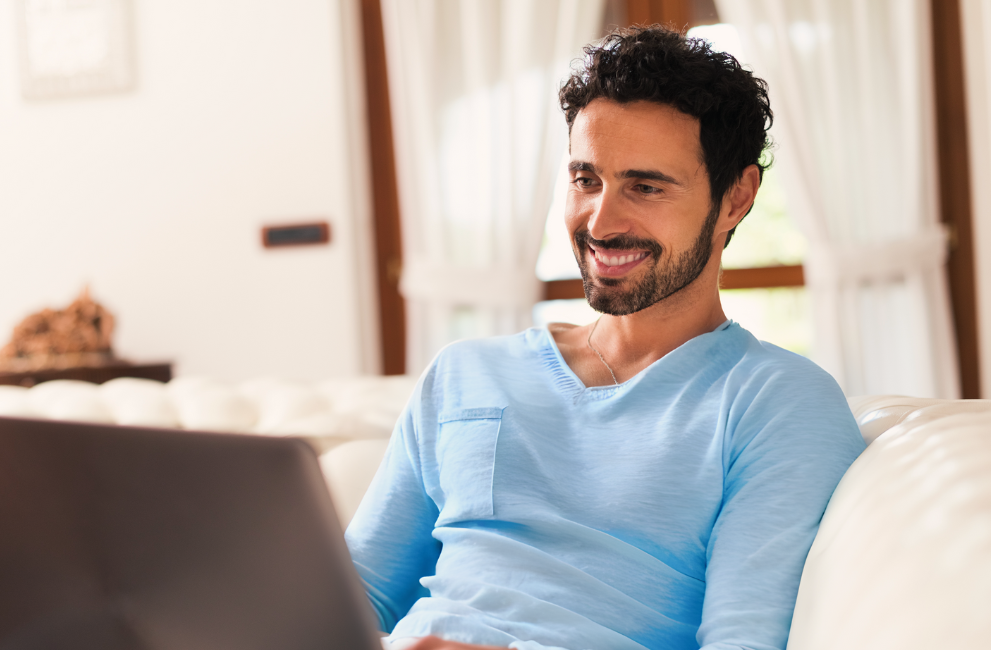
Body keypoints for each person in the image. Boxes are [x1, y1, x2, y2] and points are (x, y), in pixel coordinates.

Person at [345, 26, 865, 650]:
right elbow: (349, 601)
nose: (601, 221)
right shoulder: (465, 372)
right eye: (586, 179)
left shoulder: (777, 402)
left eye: (645, 187)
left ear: (736, 198)